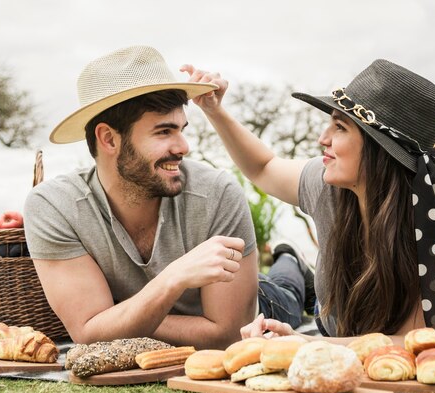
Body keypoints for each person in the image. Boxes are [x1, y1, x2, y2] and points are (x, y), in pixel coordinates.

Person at [184, 59, 435, 345]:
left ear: (381, 149)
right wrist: (215, 111)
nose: (323, 139)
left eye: (340, 128)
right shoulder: (327, 183)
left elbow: (416, 339)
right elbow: (263, 167)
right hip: (350, 318)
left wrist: (307, 343)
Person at [23, 46, 313, 349]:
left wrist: (116, 318)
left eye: (181, 129)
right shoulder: (55, 206)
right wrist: (173, 278)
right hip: (190, 309)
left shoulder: (216, 193)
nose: (183, 146)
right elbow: (88, 332)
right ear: (108, 139)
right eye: (164, 132)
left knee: (286, 294)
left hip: (260, 306)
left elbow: (228, 335)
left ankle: (292, 261)